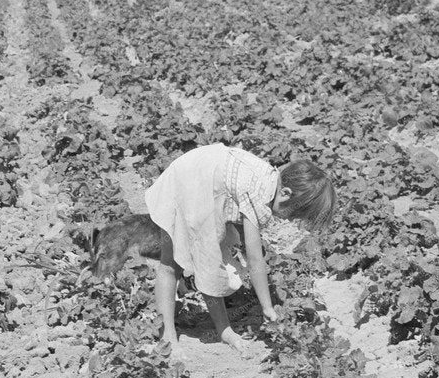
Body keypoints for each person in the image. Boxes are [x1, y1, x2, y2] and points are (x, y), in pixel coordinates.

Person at [141, 143, 335, 352]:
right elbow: (254, 260)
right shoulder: (259, 197)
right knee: (171, 265)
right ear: (286, 193)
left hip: (202, 174)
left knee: (210, 259)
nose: (290, 220)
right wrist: (267, 307)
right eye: (294, 214)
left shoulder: (269, 180)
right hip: (190, 183)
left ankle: (224, 331)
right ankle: (167, 338)